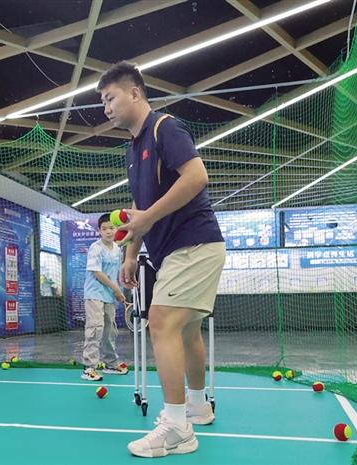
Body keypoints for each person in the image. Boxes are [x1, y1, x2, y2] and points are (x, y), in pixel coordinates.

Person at [97, 61, 226, 458]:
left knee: (161, 321)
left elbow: (197, 176)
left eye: (110, 98)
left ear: (135, 93)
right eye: (103, 102)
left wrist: (146, 219)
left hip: (194, 243)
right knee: (186, 331)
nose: (106, 108)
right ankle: (198, 406)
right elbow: (140, 211)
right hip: (171, 251)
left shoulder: (164, 128)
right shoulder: (132, 152)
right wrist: (131, 253)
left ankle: (176, 427)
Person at [81, 213, 130, 382]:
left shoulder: (117, 249)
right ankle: (89, 367)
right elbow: (97, 273)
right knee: (96, 328)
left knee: (110, 330)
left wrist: (120, 289)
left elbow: (115, 273)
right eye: (104, 229)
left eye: (111, 228)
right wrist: (116, 289)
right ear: (99, 231)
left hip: (109, 295)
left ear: (116, 229)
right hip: (94, 293)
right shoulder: (95, 248)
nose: (108, 231)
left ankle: (110, 364)